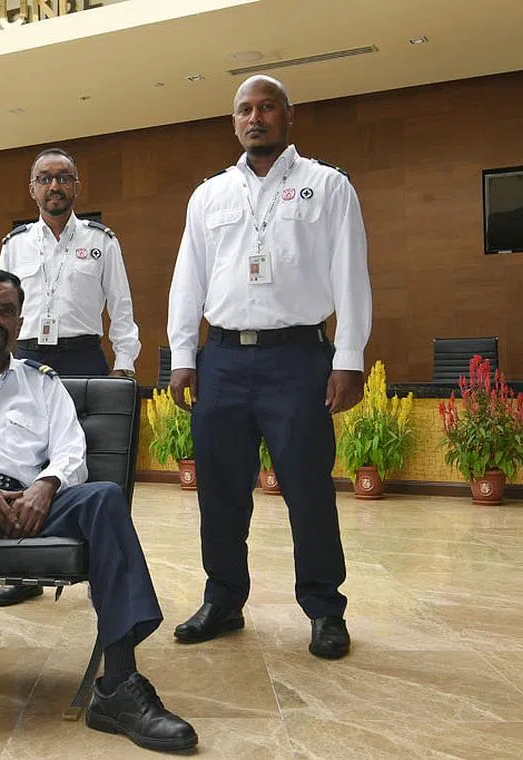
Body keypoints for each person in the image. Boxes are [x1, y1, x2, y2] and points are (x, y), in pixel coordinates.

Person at [0, 269, 196, 753]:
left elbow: (72, 449)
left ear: (19, 324)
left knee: (103, 497)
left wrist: (46, 485)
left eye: (6, 311)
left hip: (22, 506)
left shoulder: (42, 384)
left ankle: (119, 686)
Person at [166, 75, 372, 660]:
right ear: (234, 122)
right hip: (223, 359)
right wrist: (183, 355)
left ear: (288, 115)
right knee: (220, 492)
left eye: (266, 108)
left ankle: (325, 608)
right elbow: (188, 279)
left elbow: (351, 274)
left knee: (308, 489)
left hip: (298, 359)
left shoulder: (327, 186)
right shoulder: (209, 195)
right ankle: (223, 600)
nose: (255, 118)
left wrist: (349, 357)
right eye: (244, 110)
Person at [0, 147, 142, 607]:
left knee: (90, 465)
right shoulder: (15, 244)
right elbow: (0, 307)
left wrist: (124, 364)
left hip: (84, 360)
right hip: (27, 361)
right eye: (45, 178)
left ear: (77, 186)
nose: (54, 186)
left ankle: (99, 569)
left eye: (63, 178)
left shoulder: (101, 241)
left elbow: (121, 308)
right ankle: (22, 570)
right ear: (32, 188)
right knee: (22, 461)